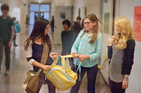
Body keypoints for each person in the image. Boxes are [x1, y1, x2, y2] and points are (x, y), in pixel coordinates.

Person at [70, 14, 103, 93]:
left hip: (92, 65)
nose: (86, 25)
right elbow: (75, 46)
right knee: (75, 84)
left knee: (91, 87)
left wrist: (86, 57)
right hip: (80, 64)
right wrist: (74, 52)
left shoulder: (99, 36)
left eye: (88, 23)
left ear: (94, 23)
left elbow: (98, 53)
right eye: (85, 23)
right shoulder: (82, 32)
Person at [24, 18, 58, 93]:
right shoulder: (30, 42)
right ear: (41, 28)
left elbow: (50, 51)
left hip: (50, 69)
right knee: (35, 90)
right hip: (38, 71)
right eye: (47, 28)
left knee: (52, 90)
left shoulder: (49, 39)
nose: (48, 30)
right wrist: (42, 66)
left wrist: (52, 54)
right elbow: (29, 59)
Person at [107, 17, 135, 93]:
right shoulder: (116, 38)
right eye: (116, 26)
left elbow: (129, 61)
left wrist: (126, 78)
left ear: (124, 27)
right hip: (111, 72)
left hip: (121, 75)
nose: (116, 28)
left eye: (118, 26)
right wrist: (110, 44)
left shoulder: (130, 41)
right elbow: (110, 56)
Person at [0, 4, 14, 75]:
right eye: (3, 10)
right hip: (1, 39)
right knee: (0, 54)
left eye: (6, 10)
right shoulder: (0, 19)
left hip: (8, 40)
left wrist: (11, 40)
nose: (4, 11)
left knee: (7, 54)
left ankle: (7, 68)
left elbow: (12, 30)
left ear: (8, 11)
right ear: (1, 10)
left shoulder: (10, 19)